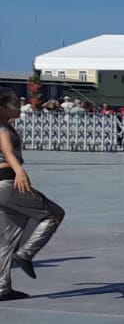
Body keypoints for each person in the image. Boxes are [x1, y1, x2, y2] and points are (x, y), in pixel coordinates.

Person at [0, 90, 66, 301]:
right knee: (53, 214)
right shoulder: (2, 128)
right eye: (15, 105)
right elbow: (8, 151)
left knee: (7, 238)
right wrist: (20, 171)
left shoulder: (6, 125)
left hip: (3, 184)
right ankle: (27, 253)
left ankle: (2, 287)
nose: (19, 108)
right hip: (8, 181)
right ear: (2, 109)